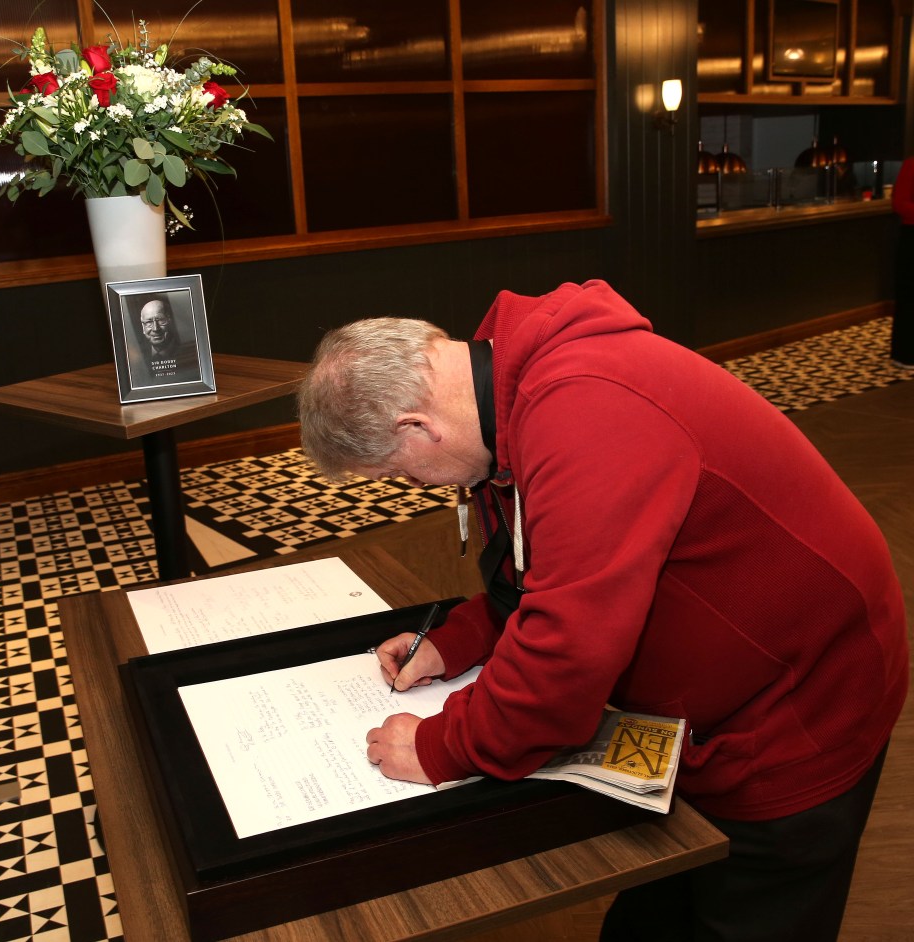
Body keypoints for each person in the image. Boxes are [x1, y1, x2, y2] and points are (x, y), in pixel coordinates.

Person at [297, 280, 908, 942]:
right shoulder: (497, 389)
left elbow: (569, 656)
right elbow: (544, 569)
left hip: (800, 706)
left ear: (417, 427)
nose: (421, 489)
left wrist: (443, 745)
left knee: (749, 914)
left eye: (405, 476)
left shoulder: (585, 413)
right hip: (701, 710)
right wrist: (460, 639)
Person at [133, 297, 201, 386]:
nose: (155, 328)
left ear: (170, 321)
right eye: (149, 322)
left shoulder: (193, 354)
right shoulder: (137, 361)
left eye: (161, 320)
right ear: (143, 327)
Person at [891, 156, 914, 368]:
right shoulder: (911, 164)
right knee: (910, 295)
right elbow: (899, 202)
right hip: (912, 236)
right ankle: (905, 354)